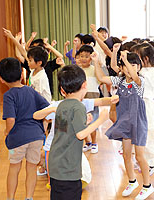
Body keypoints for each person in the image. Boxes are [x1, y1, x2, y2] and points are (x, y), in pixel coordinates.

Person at [94, 50, 154, 199]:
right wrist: (95, 61)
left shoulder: (140, 81)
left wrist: (125, 59)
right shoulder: (119, 81)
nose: (130, 68)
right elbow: (101, 77)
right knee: (127, 155)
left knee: (140, 156)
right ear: (121, 68)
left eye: (134, 65)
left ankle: (148, 186)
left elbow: (133, 75)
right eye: (127, 66)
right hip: (125, 122)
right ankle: (132, 181)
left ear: (139, 68)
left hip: (138, 122)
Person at [48, 65, 109, 200]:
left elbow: (68, 129)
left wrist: (84, 122)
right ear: (85, 85)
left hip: (55, 165)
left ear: (62, 90)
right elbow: (80, 134)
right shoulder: (79, 107)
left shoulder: (62, 105)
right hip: (68, 168)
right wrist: (101, 120)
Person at [33, 95, 119, 189]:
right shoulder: (58, 104)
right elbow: (36, 115)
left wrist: (112, 99)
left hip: (71, 149)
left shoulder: (82, 104)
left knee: (70, 181)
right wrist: (53, 109)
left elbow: (101, 101)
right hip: (53, 149)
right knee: (55, 184)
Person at [0, 57, 50, 200]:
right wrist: (43, 126)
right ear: (22, 74)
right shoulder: (30, 91)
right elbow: (47, 107)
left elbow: (11, 120)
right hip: (36, 137)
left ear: (1, 78)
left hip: (18, 139)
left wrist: (7, 132)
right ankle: (29, 197)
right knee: (31, 168)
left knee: (14, 168)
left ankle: (10, 198)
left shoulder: (8, 95)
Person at [132, 43, 154, 176]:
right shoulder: (142, 71)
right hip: (139, 104)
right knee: (140, 133)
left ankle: (152, 161)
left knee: (151, 133)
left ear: (145, 59)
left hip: (148, 105)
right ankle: (142, 159)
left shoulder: (151, 72)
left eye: (137, 57)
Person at [75, 45, 101, 154]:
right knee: (83, 122)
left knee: (92, 122)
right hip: (81, 99)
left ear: (91, 57)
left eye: (86, 56)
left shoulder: (95, 69)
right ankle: (88, 142)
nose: (84, 58)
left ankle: (94, 143)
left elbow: (100, 80)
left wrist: (96, 61)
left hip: (93, 98)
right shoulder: (77, 71)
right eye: (81, 56)